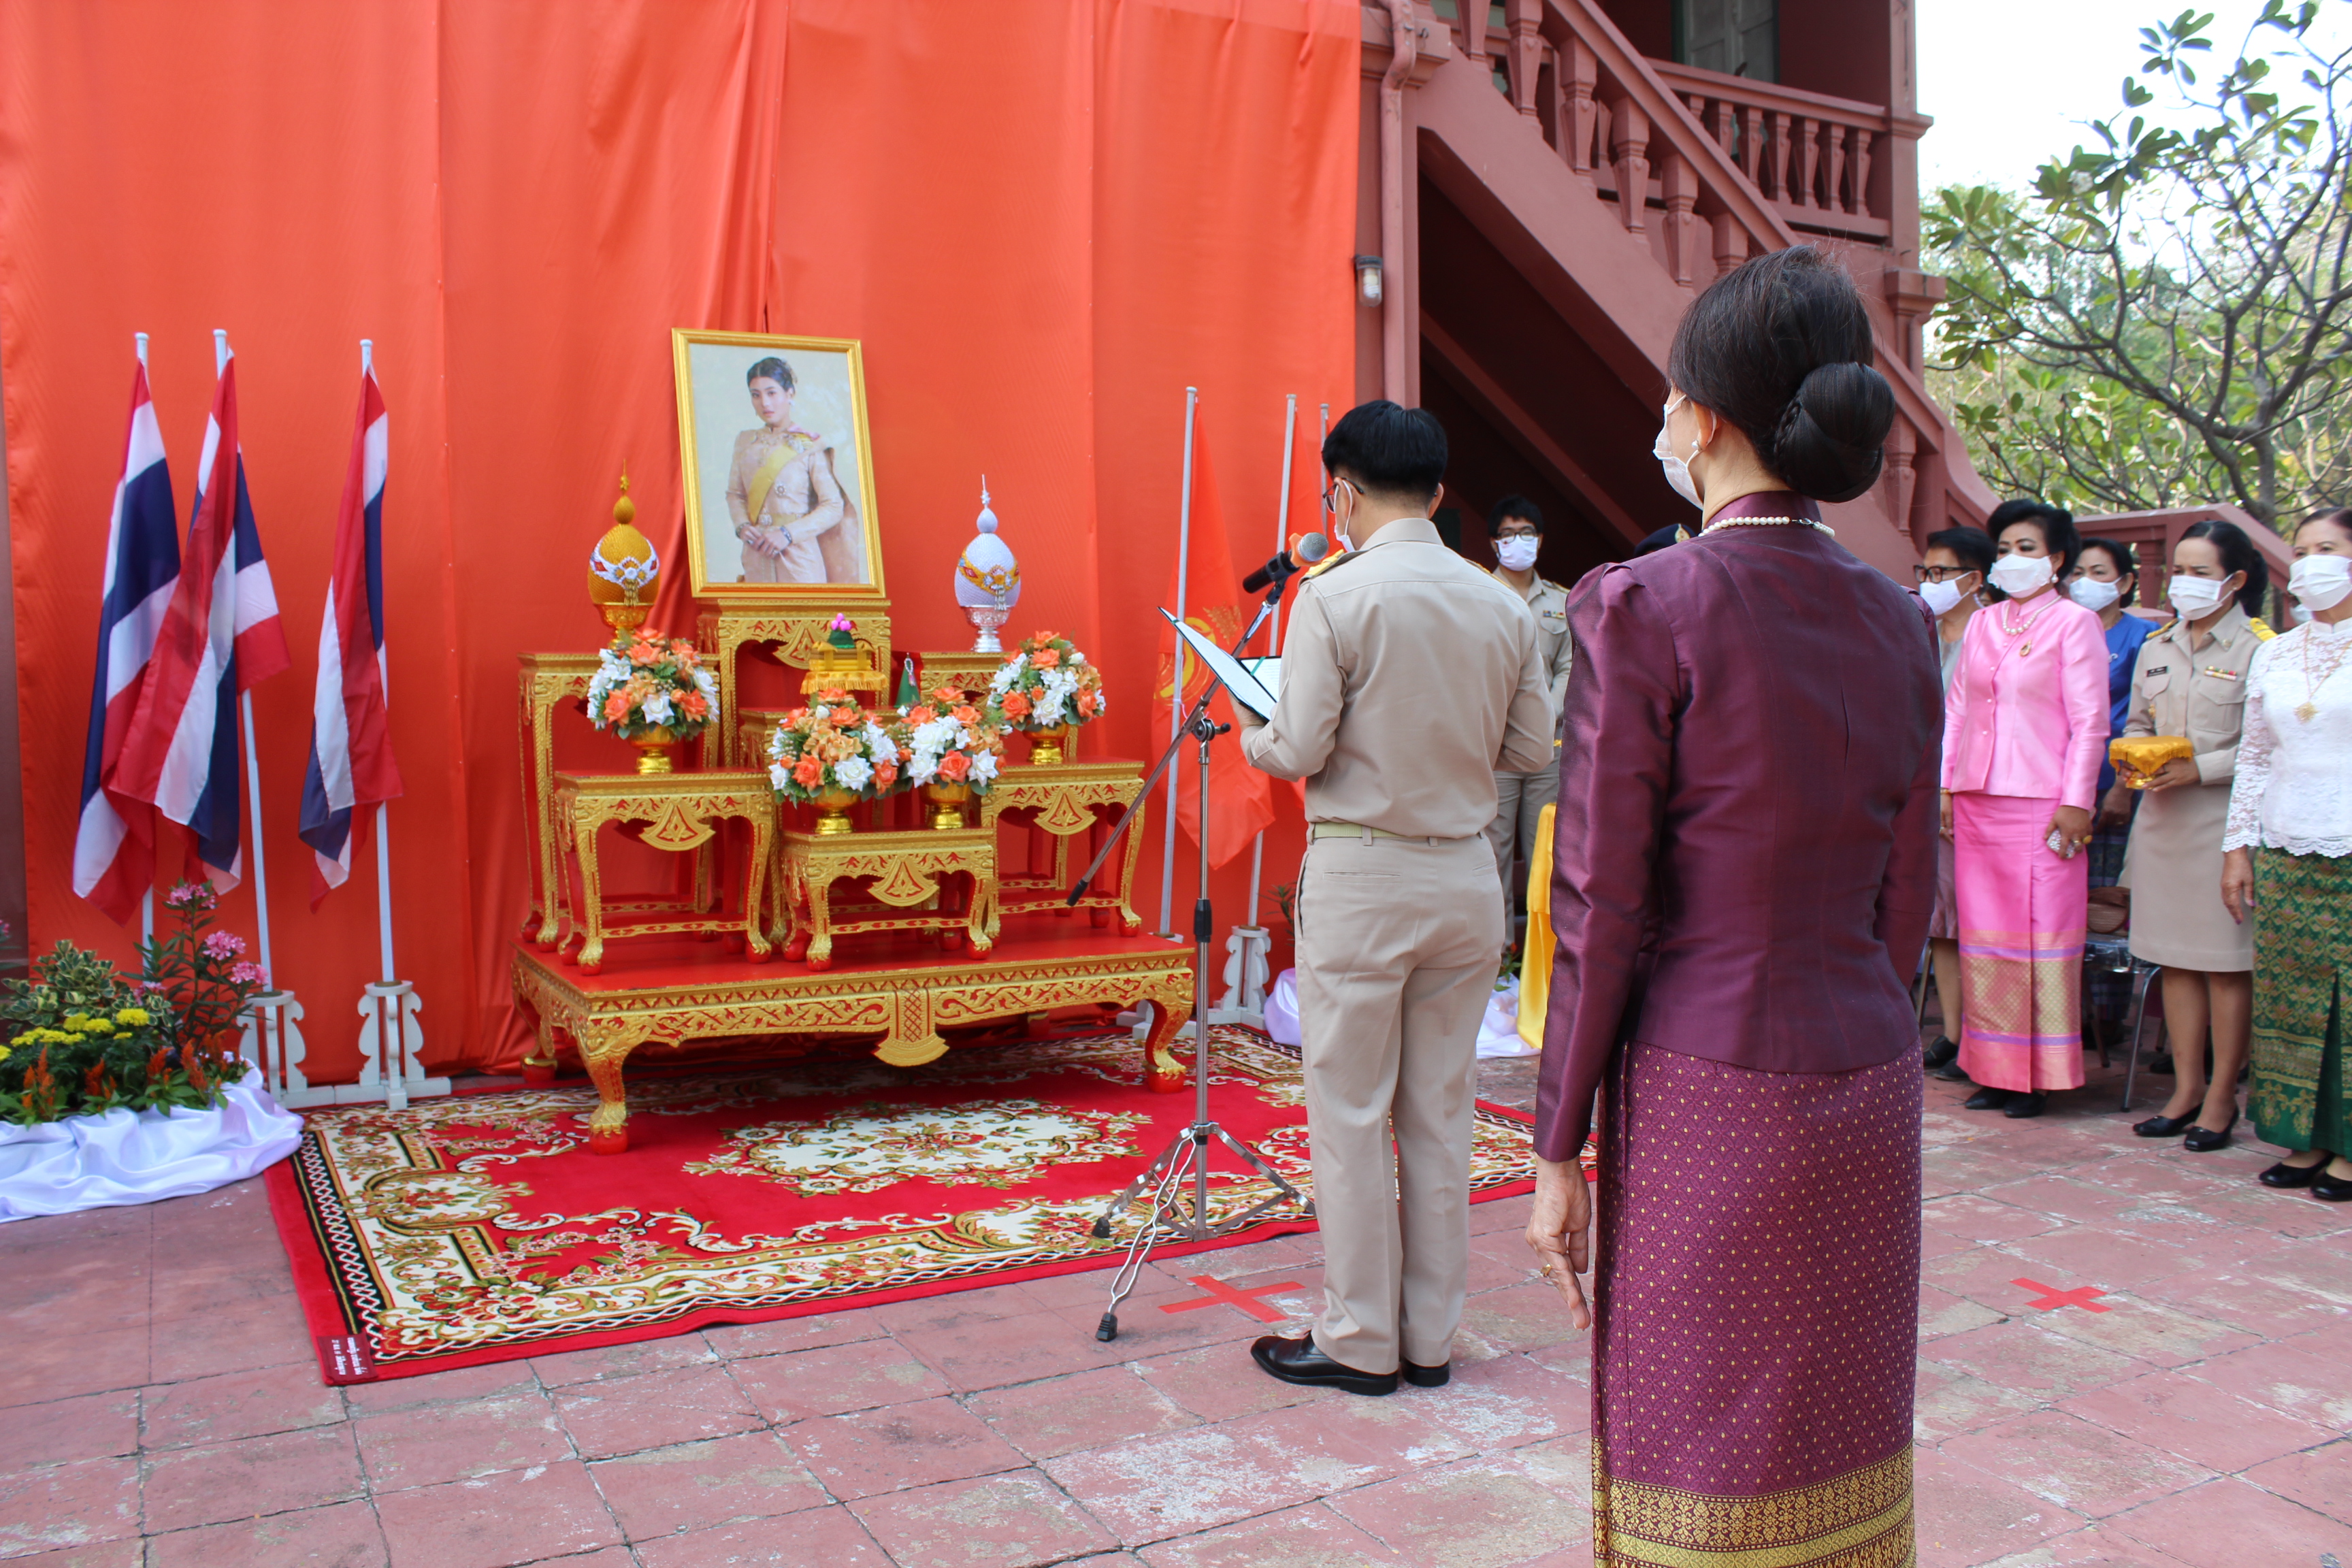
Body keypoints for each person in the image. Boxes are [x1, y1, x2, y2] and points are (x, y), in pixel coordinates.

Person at [1526, 247, 1939, 1565]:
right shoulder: (1901, 620)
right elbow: (1908, 889)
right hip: (1866, 1066)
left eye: (1669, 399)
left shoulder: (1647, 601)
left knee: (1697, 1447)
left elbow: (1599, 901)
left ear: (1700, 418)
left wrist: (1556, 1143)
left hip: (1709, 1079)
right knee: (1837, 1423)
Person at [1237, 400, 1552, 1394]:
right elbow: (1530, 749)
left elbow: (1299, 747)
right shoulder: (1501, 602)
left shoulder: (1332, 596)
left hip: (1364, 873)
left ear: (1341, 492)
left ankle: (1359, 1339)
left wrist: (1248, 731)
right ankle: (1428, 1339)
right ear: (1440, 492)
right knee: (1441, 1113)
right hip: (1463, 872)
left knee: (1350, 1110)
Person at [1940, 499, 2108, 1117]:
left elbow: (2091, 723)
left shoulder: (2074, 623)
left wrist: (2077, 801)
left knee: (2039, 937)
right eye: (2005, 549)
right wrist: (1945, 786)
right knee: (1986, 939)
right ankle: (1993, 1069)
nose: (2012, 559)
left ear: (2056, 559)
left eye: (2027, 548)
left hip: (2043, 801)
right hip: (1977, 798)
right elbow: (1958, 710)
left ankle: (2038, 1075)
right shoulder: (1984, 623)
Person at [2110, 522, 2270, 1147]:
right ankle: (2186, 1090)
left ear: (2235, 580)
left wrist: (2200, 767)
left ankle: (2223, 1097)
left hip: (2221, 822)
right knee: (2173, 961)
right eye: (2179, 570)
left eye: (2201, 572)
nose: (2185, 583)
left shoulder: (2260, 649)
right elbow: (2137, 722)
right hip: (2161, 820)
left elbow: (2264, 745)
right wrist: (2133, 760)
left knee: (2225, 967)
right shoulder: (2158, 646)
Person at [2223, 506, 2352, 1201]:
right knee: (2288, 998)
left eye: (2326, 549)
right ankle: (2304, 1139)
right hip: (2283, 845)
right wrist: (2237, 848)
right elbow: (2254, 757)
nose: (2309, 564)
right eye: (2301, 552)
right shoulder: (2275, 651)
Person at [1918, 525, 1995, 1076]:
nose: (1930, 581)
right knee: (1941, 920)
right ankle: (1953, 1032)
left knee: (1978, 921)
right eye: (1925, 571)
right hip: (1925, 792)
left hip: (1973, 794)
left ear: (1973, 579)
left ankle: (1984, 1035)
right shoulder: (1920, 631)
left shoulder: (1992, 635)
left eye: (1941, 572)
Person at [2074, 538, 2156, 1042]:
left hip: (2116, 787)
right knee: (2067, 899)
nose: (2085, 582)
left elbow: (2144, 720)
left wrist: (2124, 787)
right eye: (2078, 571)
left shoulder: (2143, 638)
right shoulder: (2062, 628)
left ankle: (2107, 1018)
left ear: (2124, 583)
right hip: (2065, 788)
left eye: (2099, 572)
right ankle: (2070, 1009)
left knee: (2107, 901)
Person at [1482, 496, 1574, 942]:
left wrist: (1546, 714)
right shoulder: (1477, 595)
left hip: (1548, 748)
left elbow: (1570, 666)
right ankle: (1500, 955)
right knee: (1491, 853)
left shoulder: (1562, 599)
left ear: (1539, 540)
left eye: (1526, 533)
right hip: (1495, 747)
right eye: (1507, 534)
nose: (1517, 541)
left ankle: (1546, 956)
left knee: (1547, 854)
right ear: (1493, 543)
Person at [723, 355, 858, 585]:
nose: (765, 403)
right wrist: (742, 526)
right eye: (756, 395)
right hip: (756, 556)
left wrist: (787, 534)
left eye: (772, 393)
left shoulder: (809, 444)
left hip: (800, 560)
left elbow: (833, 506)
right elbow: (735, 494)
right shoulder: (745, 443)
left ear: (790, 393)